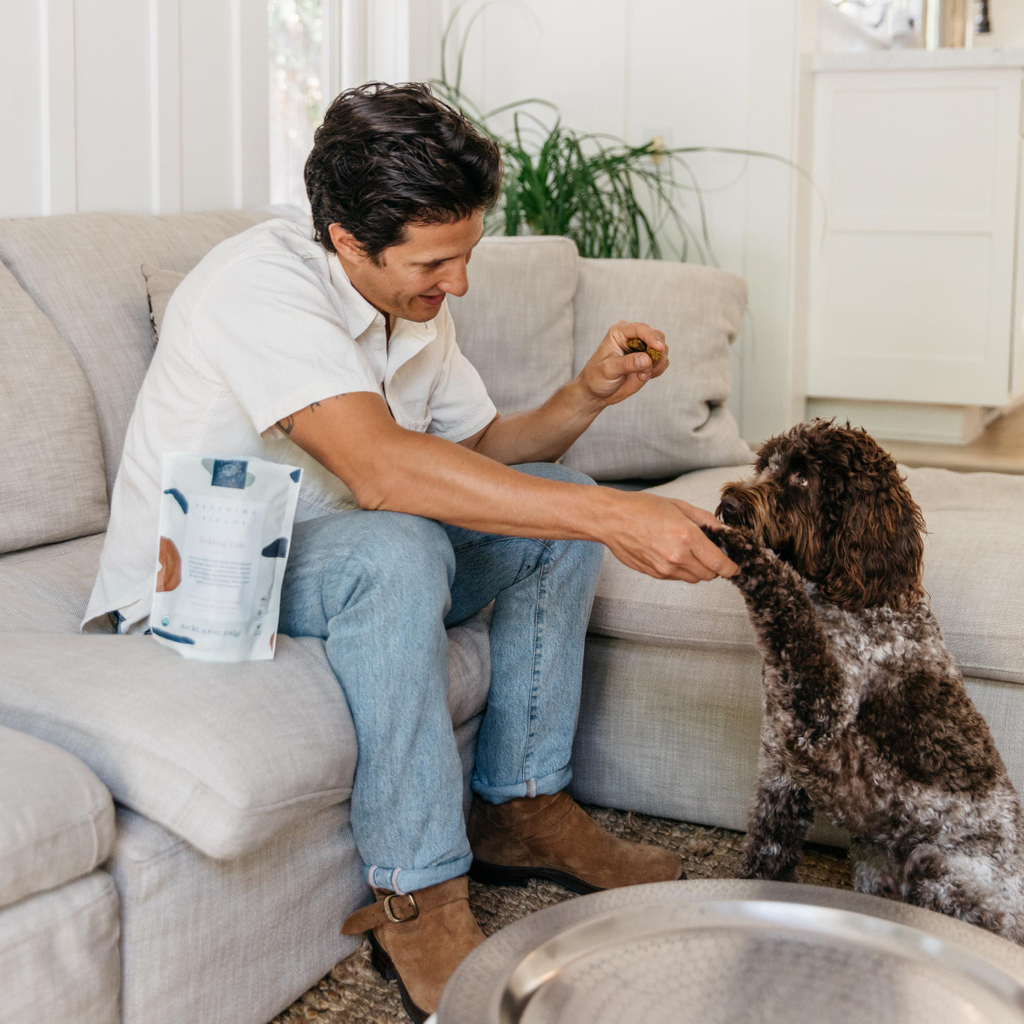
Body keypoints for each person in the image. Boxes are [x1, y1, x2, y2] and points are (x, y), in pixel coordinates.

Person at [82, 82, 738, 1022]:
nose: (458, 284)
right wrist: (616, 519)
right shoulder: (257, 287)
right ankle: (416, 892)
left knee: (554, 508)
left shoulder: (413, 302)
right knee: (401, 544)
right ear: (347, 240)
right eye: (437, 262)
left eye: (466, 254)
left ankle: (520, 805)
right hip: (210, 574)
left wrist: (586, 395)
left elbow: (482, 458)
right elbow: (383, 472)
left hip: (347, 543)